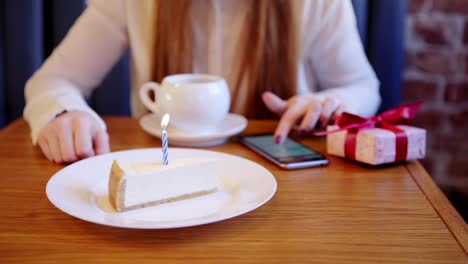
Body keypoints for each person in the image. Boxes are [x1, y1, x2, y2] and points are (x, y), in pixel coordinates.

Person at [23, 0, 381, 163]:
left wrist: (330, 102)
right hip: (161, 172)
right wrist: (63, 112)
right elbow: (54, 80)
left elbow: (364, 88)